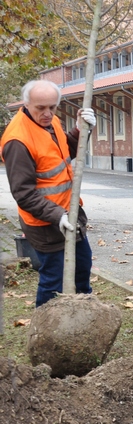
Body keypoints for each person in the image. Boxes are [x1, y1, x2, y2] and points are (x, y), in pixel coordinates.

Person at [1, 80, 96, 307]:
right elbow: (23, 194)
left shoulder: (51, 122)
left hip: (70, 214)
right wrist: (57, 215)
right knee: (53, 279)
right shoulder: (17, 140)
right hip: (44, 223)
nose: (47, 113)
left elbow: (64, 153)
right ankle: (44, 330)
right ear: (26, 104)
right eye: (40, 108)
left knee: (82, 268)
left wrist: (80, 131)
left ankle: (83, 318)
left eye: (52, 107)